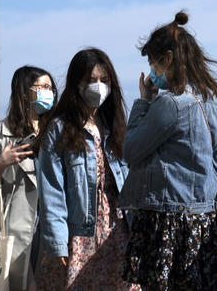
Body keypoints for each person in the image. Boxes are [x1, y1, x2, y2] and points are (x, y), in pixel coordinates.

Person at [119, 11, 217, 290]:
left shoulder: (171, 104)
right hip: (202, 220)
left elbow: (131, 150)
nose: (152, 71)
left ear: (167, 58)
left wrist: (144, 102)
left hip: (168, 222)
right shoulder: (214, 104)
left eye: (153, 63)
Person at [37, 48, 139, 291]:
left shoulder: (114, 127)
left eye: (104, 80)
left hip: (117, 229)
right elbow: (52, 190)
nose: (99, 86)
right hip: (80, 232)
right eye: (91, 80)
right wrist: (58, 242)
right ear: (77, 83)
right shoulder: (59, 129)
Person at [0, 65, 58, 291]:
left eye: (50, 88)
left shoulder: (55, 132)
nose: (48, 92)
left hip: (51, 227)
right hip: (13, 232)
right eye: (43, 87)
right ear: (24, 92)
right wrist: (0, 164)